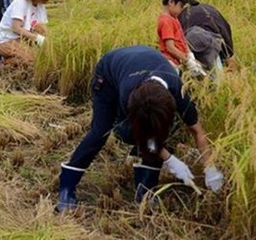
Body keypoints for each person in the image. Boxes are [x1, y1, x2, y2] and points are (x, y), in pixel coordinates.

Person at [55, 45, 225, 212]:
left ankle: (145, 191)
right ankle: (66, 188)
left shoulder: (178, 90)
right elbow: (142, 134)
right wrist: (170, 160)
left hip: (142, 62)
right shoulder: (129, 95)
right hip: (109, 74)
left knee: (158, 133)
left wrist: (210, 168)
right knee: (101, 132)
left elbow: (197, 130)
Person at [0, 0, 65, 67]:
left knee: (43, 56)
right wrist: (37, 38)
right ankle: (3, 60)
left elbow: (41, 26)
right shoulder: (21, 2)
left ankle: (15, 55)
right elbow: (16, 28)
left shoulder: (40, 6)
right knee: (32, 60)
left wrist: (49, 41)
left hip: (22, 38)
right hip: (6, 40)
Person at [158, 0, 205, 76]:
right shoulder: (166, 21)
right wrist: (187, 61)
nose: (183, 9)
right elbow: (170, 47)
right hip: (170, 63)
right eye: (181, 5)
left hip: (178, 62)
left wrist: (189, 53)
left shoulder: (174, 18)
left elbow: (181, 39)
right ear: (171, 2)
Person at [179, 2, 235, 73]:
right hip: (210, 42)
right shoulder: (211, 12)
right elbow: (229, 55)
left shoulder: (179, 17)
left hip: (190, 42)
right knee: (216, 78)